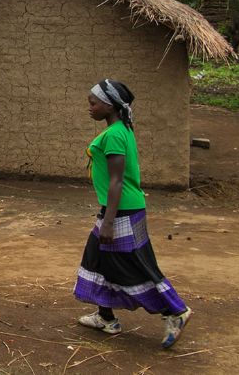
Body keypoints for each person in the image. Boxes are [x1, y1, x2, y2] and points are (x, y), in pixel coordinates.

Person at [73, 78, 192, 348]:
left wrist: (109, 222)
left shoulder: (115, 133)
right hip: (123, 208)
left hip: (121, 211)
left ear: (110, 105)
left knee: (133, 265)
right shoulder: (121, 128)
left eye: (93, 103)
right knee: (97, 258)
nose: (89, 108)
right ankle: (106, 317)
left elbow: (116, 180)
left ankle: (175, 311)